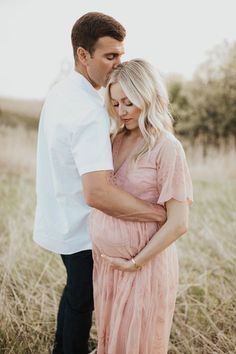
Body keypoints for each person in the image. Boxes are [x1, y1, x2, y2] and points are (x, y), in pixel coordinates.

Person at [33, 13, 166, 354]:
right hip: (81, 227)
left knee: (76, 294)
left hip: (60, 217)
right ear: (82, 55)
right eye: (110, 57)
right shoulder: (88, 111)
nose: (119, 64)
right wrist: (158, 214)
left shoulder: (61, 92)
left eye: (121, 55)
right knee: (82, 301)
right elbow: (98, 192)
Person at [90, 59, 193, 354]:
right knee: (113, 342)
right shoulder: (113, 140)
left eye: (129, 102)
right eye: (116, 103)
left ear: (148, 97)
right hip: (110, 268)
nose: (122, 111)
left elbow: (178, 222)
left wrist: (135, 262)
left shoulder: (167, 147)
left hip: (144, 268)